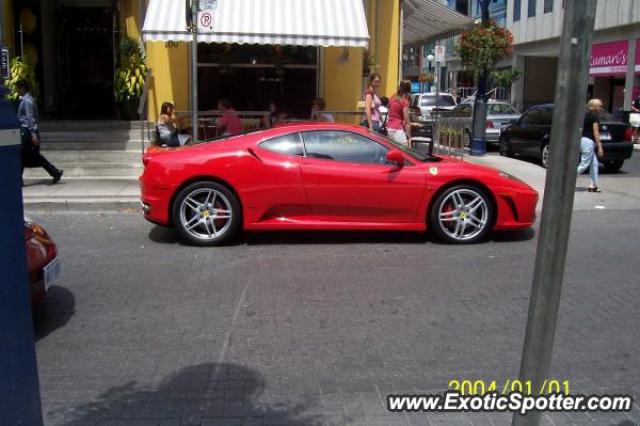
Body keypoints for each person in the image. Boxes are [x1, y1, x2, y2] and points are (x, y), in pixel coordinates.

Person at [16, 80, 63, 184]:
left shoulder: (27, 101)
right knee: (23, 157)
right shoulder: (28, 99)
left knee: (29, 156)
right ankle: (18, 180)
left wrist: (33, 134)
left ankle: (55, 172)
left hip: (28, 133)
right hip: (27, 132)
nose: (17, 91)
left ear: (22, 89)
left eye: (18, 89)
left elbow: (30, 118)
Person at [578, 98, 605, 193]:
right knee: (584, 164)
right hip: (588, 141)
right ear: (593, 107)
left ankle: (593, 186)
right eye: (600, 106)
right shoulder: (594, 117)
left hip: (584, 140)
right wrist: (600, 146)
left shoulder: (586, 116)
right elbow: (596, 132)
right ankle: (566, 179)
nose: (601, 108)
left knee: (594, 164)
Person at [386, 80, 413, 146]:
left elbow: (389, 112)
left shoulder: (392, 98)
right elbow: (406, 122)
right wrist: (409, 138)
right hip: (398, 129)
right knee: (405, 151)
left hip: (389, 129)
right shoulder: (404, 101)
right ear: (408, 90)